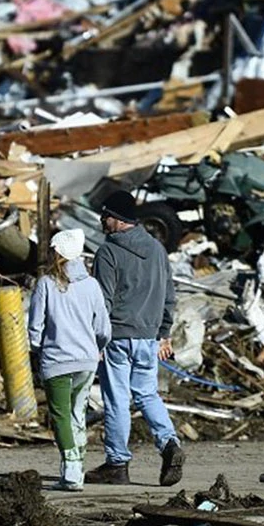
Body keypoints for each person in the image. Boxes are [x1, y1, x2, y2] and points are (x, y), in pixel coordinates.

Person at [85, 190, 184, 487]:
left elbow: (102, 301)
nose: (102, 220)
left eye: (105, 215)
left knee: (116, 400)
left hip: (117, 336)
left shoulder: (108, 252)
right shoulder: (156, 249)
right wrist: (163, 333)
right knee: (147, 394)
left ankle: (117, 464)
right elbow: (169, 296)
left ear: (117, 219)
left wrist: (97, 339)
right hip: (148, 337)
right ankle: (169, 444)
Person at [27, 228, 111, 491]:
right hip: (87, 361)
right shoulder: (92, 285)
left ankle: (73, 469)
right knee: (77, 413)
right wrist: (96, 346)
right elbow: (103, 328)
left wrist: (40, 349)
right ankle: (75, 468)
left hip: (57, 361)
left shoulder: (46, 284)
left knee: (61, 415)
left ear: (57, 253)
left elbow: (35, 328)